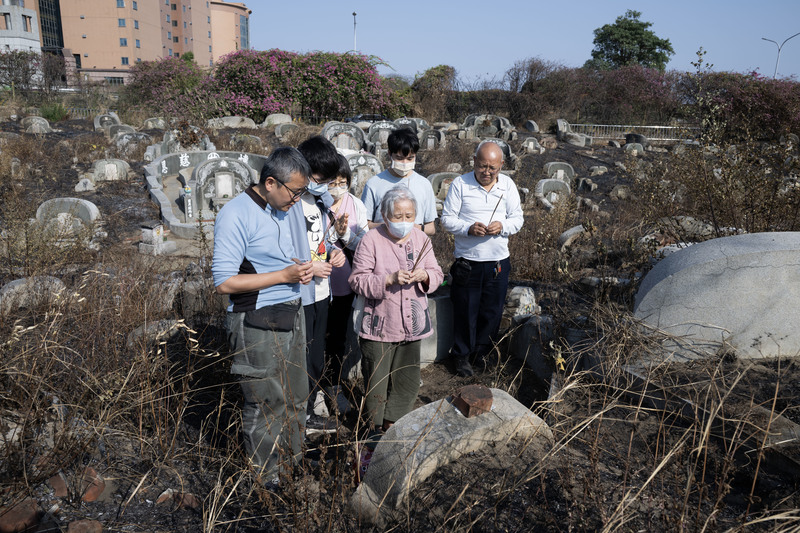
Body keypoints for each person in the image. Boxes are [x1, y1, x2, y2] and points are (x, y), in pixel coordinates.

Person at [212, 147, 314, 485]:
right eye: (295, 192)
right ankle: (267, 480)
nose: (298, 200)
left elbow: (285, 257)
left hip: (291, 312)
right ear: (270, 182)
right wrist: (283, 276)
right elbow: (225, 282)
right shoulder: (235, 213)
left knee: (297, 396)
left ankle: (293, 466)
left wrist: (306, 269)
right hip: (255, 320)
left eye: (302, 192)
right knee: (267, 402)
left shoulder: (284, 206)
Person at [349, 187, 443, 441]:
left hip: (412, 323)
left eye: (409, 215)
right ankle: (373, 429)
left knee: (408, 378)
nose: (404, 222)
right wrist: (387, 279)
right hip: (380, 322)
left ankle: (394, 423)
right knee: (376, 380)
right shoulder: (371, 240)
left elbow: (437, 274)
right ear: (384, 214)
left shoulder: (422, 239)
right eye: (398, 216)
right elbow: (357, 280)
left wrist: (425, 276)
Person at [440, 140, 524, 377]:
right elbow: (447, 219)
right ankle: (462, 356)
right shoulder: (460, 184)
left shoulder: (507, 185)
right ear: (474, 161)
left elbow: (518, 218)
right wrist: (468, 228)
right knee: (466, 309)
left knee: (492, 311)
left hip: (498, 261)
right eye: (482, 166)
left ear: (502, 166)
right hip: (468, 261)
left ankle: (482, 354)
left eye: (492, 168)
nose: (486, 172)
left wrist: (503, 226)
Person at [294, 136, 346, 432]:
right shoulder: (290, 203)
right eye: (319, 178)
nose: (324, 184)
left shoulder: (320, 202)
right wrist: (308, 266)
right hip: (300, 292)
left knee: (315, 356)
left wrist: (334, 251)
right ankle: (296, 413)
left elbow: (324, 241)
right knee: (299, 356)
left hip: (321, 291)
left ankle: (309, 411)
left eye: (327, 179)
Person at [324, 154, 369, 415]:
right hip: (317, 282)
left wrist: (345, 234)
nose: (337, 187)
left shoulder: (356, 205)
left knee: (338, 337)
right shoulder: (316, 203)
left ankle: (333, 385)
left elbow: (363, 244)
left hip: (344, 282)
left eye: (343, 181)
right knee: (317, 337)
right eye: (332, 181)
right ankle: (314, 387)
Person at [361, 128, 437, 235]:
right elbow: (364, 224)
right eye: (399, 158)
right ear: (389, 154)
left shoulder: (424, 184)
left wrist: (413, 227)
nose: (405, 163)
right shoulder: (373, 184)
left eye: (410, 158)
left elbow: (431, 228)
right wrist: (389, 226)